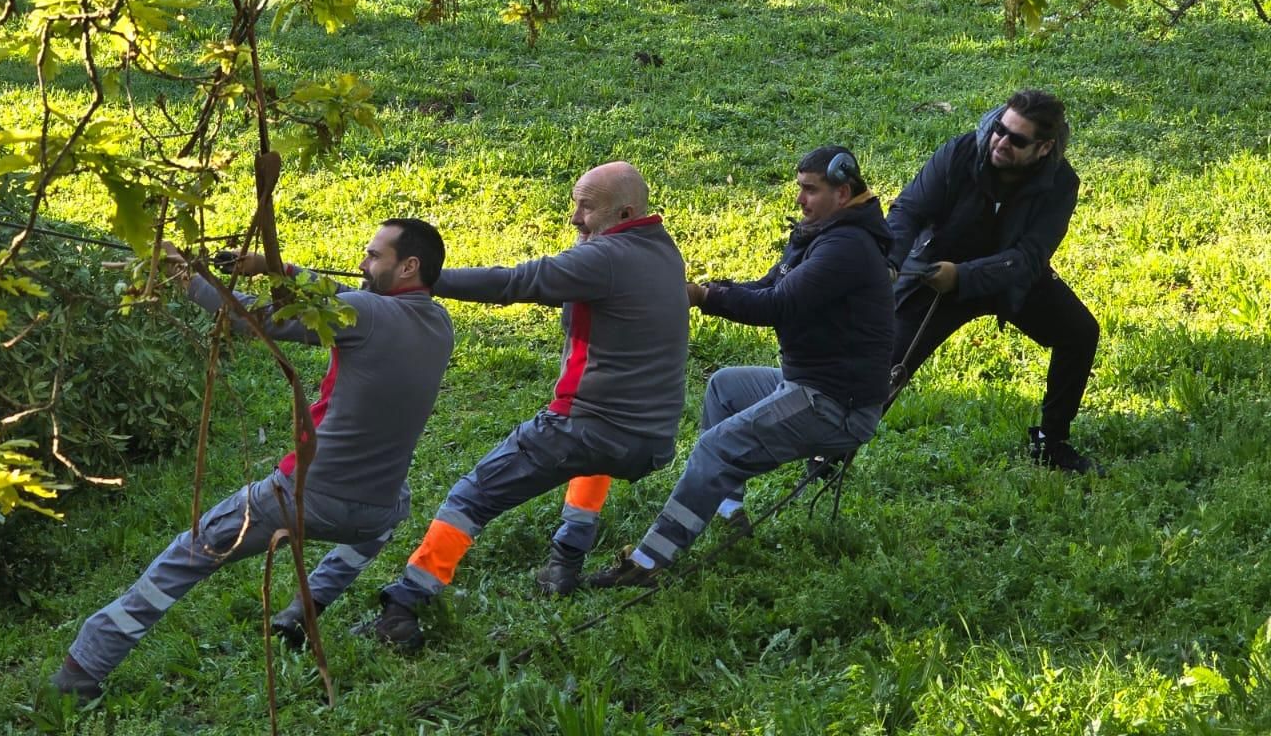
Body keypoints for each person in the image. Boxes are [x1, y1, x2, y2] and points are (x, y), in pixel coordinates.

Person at [48, 219, 453, 699]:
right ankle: (306, 605)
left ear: (408, 265)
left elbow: (253, 317)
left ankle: (80, 670)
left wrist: (185, 277)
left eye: (373, 256)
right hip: (373, 513)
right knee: (395, 509)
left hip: (299, 496)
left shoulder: (362, 312)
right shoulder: (438, 322)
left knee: (187, 554)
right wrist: (274, 266)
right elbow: (350, 297)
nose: (363, 264)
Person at [355, 161, 689, 648]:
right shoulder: (661, 250)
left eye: (586, 207)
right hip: (650, 441)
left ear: (625, 211)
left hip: (587, 426)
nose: (575, 217)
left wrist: (424, 281)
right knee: (591, 455)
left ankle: (405, 605)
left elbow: (516, 282)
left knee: (471, 496)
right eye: (575, 203)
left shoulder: (607, 258)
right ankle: (566, 560)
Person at [589, 146, 893, 586]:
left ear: (842, 193)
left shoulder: (847, 247)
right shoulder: (821, 234)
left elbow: (778, 305)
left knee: (715, 448)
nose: (800, 200)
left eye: (810, 190)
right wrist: (712, 289)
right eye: (799, 189)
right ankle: (730, 511)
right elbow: (769, 284)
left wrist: (704, 297)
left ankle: (647, 564)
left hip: (835, 405)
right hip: (806, 384)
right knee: (724, 387)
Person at [885, 89, 1100, 472]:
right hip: (935, 276)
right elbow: (908, 211)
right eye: (1000, 129)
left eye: (1017, 139)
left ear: (1044, 148)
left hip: (1006, 279)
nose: (1000, 141)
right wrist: (889, 260)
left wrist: (965, 277)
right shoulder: (960, 152)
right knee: (883, 369)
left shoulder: (1061, 184)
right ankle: (830, 452)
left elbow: (1031, 258)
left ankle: (1052, 443)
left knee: (1080, 332)